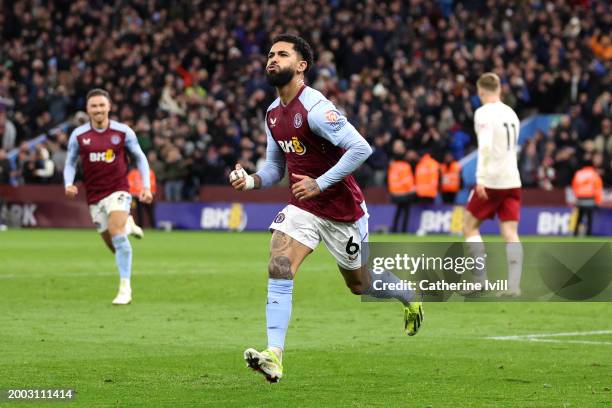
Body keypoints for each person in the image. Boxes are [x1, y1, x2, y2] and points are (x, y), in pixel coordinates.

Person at [230, 34, 422, 383]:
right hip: (303, 206)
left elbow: (361, 149)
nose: (272, 59)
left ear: (301, 66)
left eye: (282, 54)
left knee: (359, 285)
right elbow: (277, 169)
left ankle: (407, 293)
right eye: (270, 54)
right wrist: (252, 181)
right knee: (279, 262)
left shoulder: (316, 108)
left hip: (342, 209)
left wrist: (320, 182)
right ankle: (274, 354)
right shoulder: (273, 114)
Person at [64, 89, 151, 305]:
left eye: (102, 105)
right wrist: (68, 183)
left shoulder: (123, 132)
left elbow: (140, 158)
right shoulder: (79, 135)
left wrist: (146, 187)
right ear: (88, 109)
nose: (98, 109)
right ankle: (128, 225)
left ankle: (125, 288)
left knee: (115, 230)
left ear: (109, 107)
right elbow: (70, 162)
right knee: (113, 244)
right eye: (94, 106)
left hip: (119, 190)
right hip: (94, 196)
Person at [463, 73, 523, 297]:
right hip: (513, 179)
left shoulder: (484, 113)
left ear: (481, 92)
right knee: (510, 232)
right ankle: (514, 286)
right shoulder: (512, 113)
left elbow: (486, 147)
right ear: (499, 89)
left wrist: (480, 178)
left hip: (491, 180)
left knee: (469, 226)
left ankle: (480, 281)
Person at [387, 140, 415, 233]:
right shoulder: (404, 164)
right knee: (404, 211)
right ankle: (402, 230)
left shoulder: (393, 163)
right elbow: (406, 180)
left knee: (400, 211)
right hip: (404, 192)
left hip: (398, 192)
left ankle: (395, 230)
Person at [572, 160, 603, 236]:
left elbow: (574, 186)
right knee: (589, 218)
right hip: (590, 199)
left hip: (580, 198)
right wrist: (598, 200)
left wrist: (575, 197)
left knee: (579, 217)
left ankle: (575, 233)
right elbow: (598, 188)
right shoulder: (594, 174)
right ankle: (588, 234)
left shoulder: (578, 173)